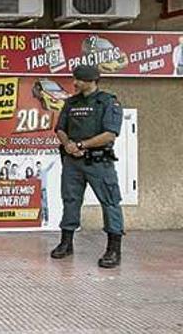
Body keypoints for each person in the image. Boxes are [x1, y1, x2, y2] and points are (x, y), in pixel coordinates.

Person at [51, 65, 125, 268]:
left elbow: (110, 134)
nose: (74, 83)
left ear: (91, 80)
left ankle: (113, 249)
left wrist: (82, 145)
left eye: (78, 79)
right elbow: (60, 129)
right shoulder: (71, 102)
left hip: (98, 162)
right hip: (73, 162)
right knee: (70, 200)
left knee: (110, 202)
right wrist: (67, 144)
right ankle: (66, 243)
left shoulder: (108, 102)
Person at [36, 160, 56, 224]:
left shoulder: (44, 171)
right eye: (37, 166)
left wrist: (53, 161)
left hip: (43, 190)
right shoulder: (36, 174)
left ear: (41, 165)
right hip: (38, 191)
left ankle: (46, 220)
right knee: (40, 205)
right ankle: (41, 219)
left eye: (39, 165)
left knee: (45, 205)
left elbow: (49, 167)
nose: (38, 167)